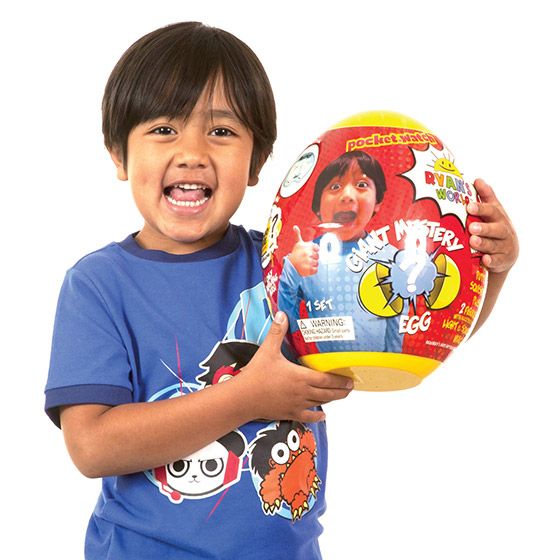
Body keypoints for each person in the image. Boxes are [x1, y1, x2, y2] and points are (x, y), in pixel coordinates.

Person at [44, 22, 354, 560]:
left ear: (257, 162)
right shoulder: (97, 286)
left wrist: (491, 273)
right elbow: (91, 446)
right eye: (163, 129)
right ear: (119, 155)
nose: (191, 152)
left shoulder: (283, 263)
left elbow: (401, 337)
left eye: (221, 131)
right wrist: (246, 398)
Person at [278, 150, 405, 354]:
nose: (347, 196)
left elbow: (397, 324)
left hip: (380, 369)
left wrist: (393, 365)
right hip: (324, 371)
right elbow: (285, 323)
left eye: (362, 185)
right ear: (318, 207)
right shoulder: (304, 257)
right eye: (335, 186)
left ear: (378, 202)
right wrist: (292, 270)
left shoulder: (389, 257)